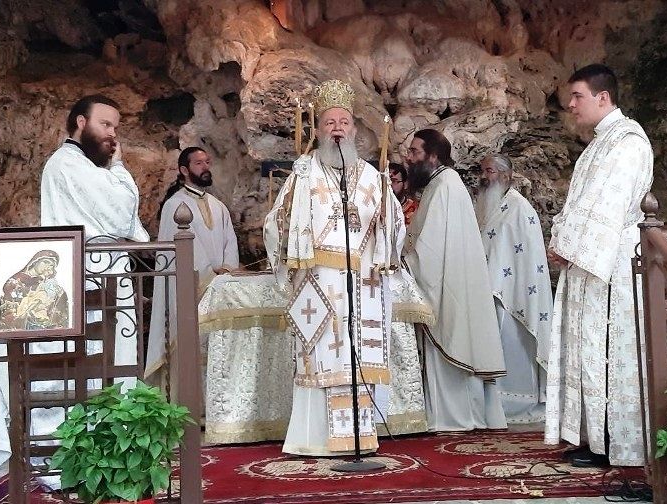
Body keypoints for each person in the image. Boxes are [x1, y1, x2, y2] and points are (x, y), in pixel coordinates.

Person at [263, 80, 404, 455]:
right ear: (318, 130)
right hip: (319, 282)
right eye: (329, 122)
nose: (337, 129)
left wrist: (387, 228)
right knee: (322, 358)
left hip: (363, 282)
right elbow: (275, 224)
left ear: (354, 130)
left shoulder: (373, 177)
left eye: (343, 122)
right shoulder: (303, 173)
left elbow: (394, 228)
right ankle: (314, 440)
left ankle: (360, 438)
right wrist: (292, 241)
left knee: (358, 357)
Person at [545, 64, 653, 467]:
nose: (571, 105)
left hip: (611, 264)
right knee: (587, 349)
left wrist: (569, 248)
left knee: (607, 349)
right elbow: (577, 204)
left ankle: (613, 441)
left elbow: (606, 206)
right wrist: (562, 242)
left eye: (578, 96)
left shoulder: (628, 141)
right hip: (589, 262)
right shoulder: (598, 143)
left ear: (603, 97)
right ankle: (592, 435)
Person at [38, 93, 149, 488]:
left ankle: (110, 454)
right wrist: (118, 166)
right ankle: (85, 459)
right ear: (80, 123)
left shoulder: (83, 165)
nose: (112, 134)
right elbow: (120, 212)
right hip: (89, 279)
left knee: (109, 365)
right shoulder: (67, 163)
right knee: (94, 368)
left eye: (115, 127)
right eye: (105, 124)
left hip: (102, 276)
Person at [403, 128, 506, 431]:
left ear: (433, 156)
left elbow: (431, 248)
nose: (409, 158)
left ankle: (452, 418)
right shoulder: (442, 183)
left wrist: (405, 263)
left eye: (415, 152)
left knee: (450, 341)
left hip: (446, 284)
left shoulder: (445, 185)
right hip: (451, 280)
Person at [145, 147, 240, 388]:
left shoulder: (219, 206)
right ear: (184, 170)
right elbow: (183, 249)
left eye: (207, 162)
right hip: (190, 289)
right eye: (198, 163)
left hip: (219, 289)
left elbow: (230, 242)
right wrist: (209, 274)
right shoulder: (174, 205)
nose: (206, 167)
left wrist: (227, 269)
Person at [475, 154, 552, 424]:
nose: (484, 177)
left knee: (513, 348)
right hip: (490, 291)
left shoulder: (520, 209)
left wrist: (513, 288)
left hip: (514, 295)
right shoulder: (488, 204)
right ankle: (492, 405)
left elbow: (529, 256)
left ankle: (515, 405)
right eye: (483, 171)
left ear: (506, 175)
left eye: (489, 171)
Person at [0, 250, 68, 331]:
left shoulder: (47, 284)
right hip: (19, 323)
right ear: (35, 261)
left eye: (51, 265)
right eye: (45, 262)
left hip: (41, 323)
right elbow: (9, 305)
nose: (47, 267)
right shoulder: (16, 281)